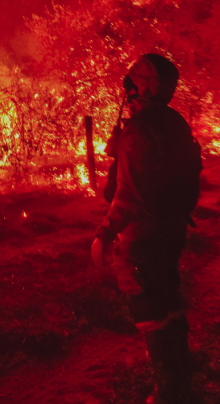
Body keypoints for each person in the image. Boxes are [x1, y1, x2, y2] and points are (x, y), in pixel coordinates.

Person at [92, 54, 202, 404]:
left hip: (143, 237)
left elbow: (129, 195)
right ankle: (181, 382)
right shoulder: (174, 121)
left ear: (140, 85)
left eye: (131, 83)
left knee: (150, 312)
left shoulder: (139, 132)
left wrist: (104, 234)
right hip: (171, 231)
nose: (126, 90)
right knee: (168, 304)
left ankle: (169, 393)